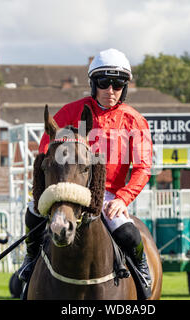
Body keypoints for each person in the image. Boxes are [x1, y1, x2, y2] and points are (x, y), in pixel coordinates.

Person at [17, 48, 153, 296]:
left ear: (125, 87)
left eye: (118, 84)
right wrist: (51, 190)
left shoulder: (135, 121)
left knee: (130, 234)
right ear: (93, 84)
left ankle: (142, 272)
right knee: (32, 213)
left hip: (109, 196)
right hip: (68, 189)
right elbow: (47, 150)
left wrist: (123, 199)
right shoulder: (70, 111)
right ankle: (30, 258)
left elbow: (143, 168)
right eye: (104, 83)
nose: (110, 90)